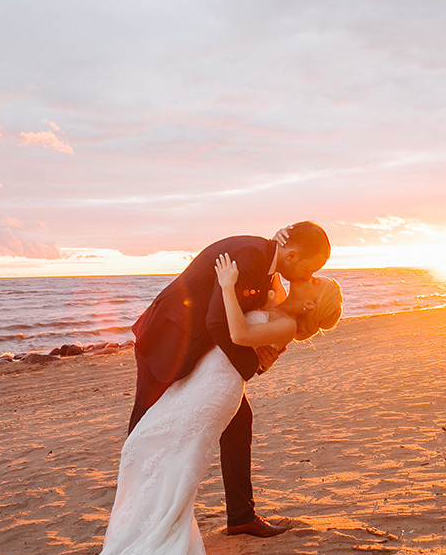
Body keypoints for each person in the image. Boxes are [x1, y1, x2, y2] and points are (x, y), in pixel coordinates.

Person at [15, 245, 342, 555]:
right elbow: (266, 277)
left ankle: (160, 547)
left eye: (315, 280)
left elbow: (239, 334)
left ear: (311, 302)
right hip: (205, 379)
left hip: (217, 388)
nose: (309, 275)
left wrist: (226, 285)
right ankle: (142, 539)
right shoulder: (276, 296)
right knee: (142, 450)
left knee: (174, 464)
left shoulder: (285, 325)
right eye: (314, 271)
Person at [128, 222, 331, 537]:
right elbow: (218, 323)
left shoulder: (267, 262)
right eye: (311, 268)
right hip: (168, 339)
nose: (309, 276)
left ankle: (241, 517)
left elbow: (257, 305)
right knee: (147, 421)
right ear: (292, 256)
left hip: (197, 347)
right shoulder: (251, 257)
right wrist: (249, 368)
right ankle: (135, 512)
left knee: (239, 420)